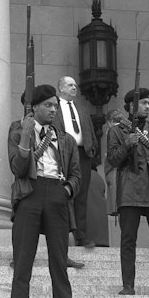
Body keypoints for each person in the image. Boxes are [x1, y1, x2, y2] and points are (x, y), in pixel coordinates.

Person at [3, 84, 98, 298]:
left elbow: (77, 174)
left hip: (57, 194)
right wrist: (25, 135)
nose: (53, 110)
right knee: (23, 264)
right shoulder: (17, 131)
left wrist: (67, 190)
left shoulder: (65, 138)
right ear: (34, 107)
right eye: (48, 105)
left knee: (60, 264)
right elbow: (18, 168)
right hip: (29, 194)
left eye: (55, 106)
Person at [106, 88, 149, 297]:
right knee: (128, 238)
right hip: (130, 188)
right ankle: (128, 285)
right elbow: (112, 160)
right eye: (144, 102)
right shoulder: (118, 131)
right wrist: (127, 145)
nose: (148, 106)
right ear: (130, 106)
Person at [56, 76, 98, 248]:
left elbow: (90, 132)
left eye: (75, 85)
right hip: (62, 154)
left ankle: (81, 236)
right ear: (60, 88)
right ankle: (63, 236)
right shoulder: (55, 107)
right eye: (70, 85)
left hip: (82, 154)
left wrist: (92, 149)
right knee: (62, 194)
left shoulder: (81, 109)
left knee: (81, 196)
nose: (74, 88)